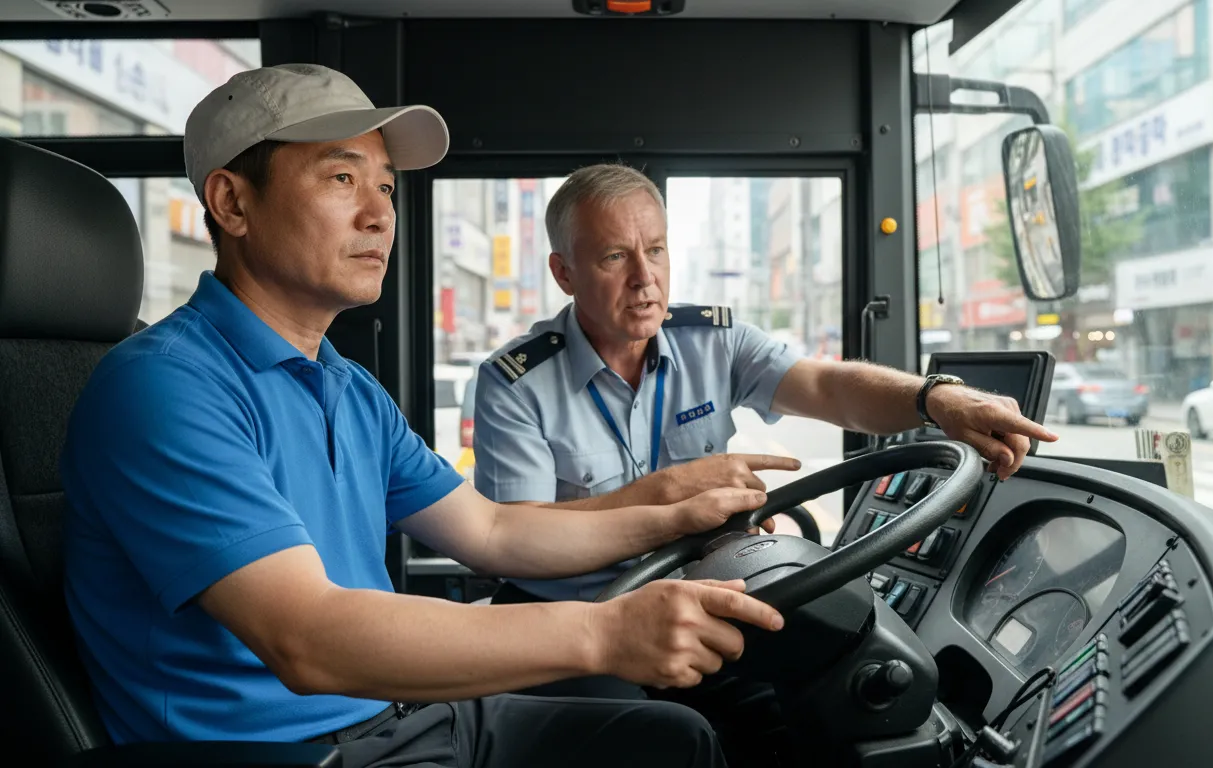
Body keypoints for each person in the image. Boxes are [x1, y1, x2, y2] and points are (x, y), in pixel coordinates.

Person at [60, 63, 786, 768]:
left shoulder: (347, 387)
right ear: (233, 203)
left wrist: (680, 518)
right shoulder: (163, 387)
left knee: (675, 739)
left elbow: (493, 531)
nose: (380, 214)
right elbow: (307, 638)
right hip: (296, 751)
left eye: (384, 186)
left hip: (400, 718)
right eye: (342, 179)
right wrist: (603, 633)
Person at [472, 161, 1059, 626]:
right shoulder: (515, 384)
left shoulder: (712, 341)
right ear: (564, 273)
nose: (644, 278)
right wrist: (668, 494)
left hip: (703, 599)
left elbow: (828, 387)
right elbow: (518, 537)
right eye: (613, 256)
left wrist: (934, 398)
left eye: (655, 250)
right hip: (573, 622)